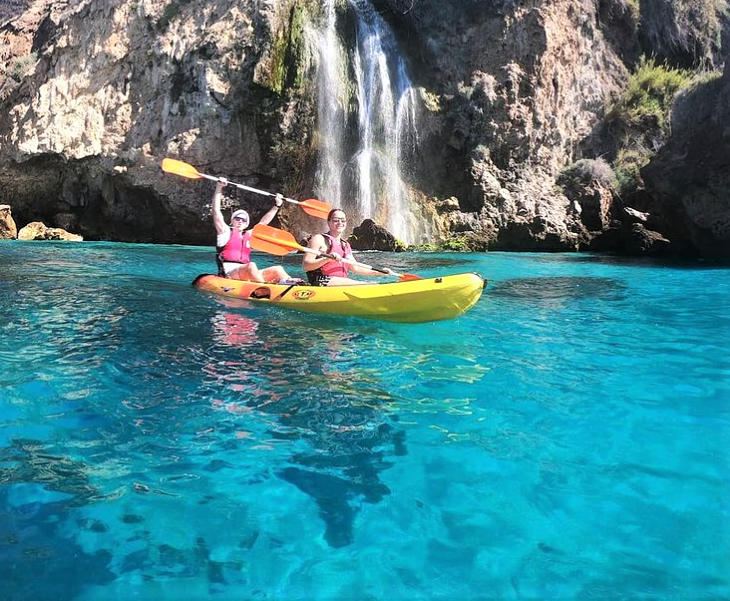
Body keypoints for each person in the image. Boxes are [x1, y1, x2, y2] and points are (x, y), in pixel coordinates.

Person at [212, 179, 298, 284]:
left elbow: (264, 223)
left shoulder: (249, 235)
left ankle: (292, 285)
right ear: (232, 221)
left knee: (278, 269)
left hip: (245, 271)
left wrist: (277, 205)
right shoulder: (225, 232)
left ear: (246, 224)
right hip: (229, 272)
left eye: (243, 220)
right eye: (237, 218)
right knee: (251, 265)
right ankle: (265, 287)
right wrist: (219, 188)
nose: (240, 221)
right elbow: (216, 212)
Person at [302, 208, 393, 286]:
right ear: (328, 222)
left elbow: (356, 268)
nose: (340, 223)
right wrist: (327, 259)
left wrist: (379, 272)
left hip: (339, 284)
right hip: (321, 281)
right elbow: (306, 266)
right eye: (336, 220)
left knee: (370, 284)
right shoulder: (318, 239)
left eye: (343, 220)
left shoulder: (345, 245)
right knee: (369, 285)